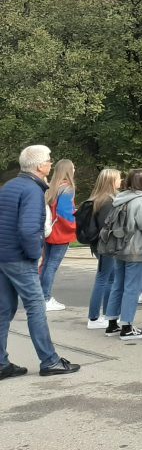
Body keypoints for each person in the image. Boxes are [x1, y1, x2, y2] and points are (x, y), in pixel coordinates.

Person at [0, 145, 80, 377]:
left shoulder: (9, 186)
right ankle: (50, 361)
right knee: (36, 307)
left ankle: (2, 363)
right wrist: (35, 254)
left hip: (4, 255)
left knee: (4, 310)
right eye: (48, 160)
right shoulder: (33, 191)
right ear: (39, 166)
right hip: (19, 257)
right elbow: (28, 229)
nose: (50, 163)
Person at [102, 169, 142, 341]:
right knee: (132, 288)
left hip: (119, 246)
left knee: (118, 285)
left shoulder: (121, 197)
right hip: (136, 248)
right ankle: (127, 326)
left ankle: (112, 323)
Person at [86, 168, 122, 329]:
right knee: (105, 279)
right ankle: (95, 317)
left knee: (107, 278)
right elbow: (107, 226)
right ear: (111, 181)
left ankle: (108, 315)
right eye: (118, 178)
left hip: (101, 244)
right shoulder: (107, 201)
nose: (121, 180)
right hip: (106, 245)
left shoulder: (98, 199)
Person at [40, 158, 77, 311]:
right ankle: (46, 298)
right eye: (73, 167)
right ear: (68, 170)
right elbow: (65, 213)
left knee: (46, 263)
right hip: (60, 232)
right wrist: (75, 223)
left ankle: (41, 297)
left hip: (48, 230)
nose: (75, 170)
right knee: (52, 266)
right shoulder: (68, 188)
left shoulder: (50, 187)